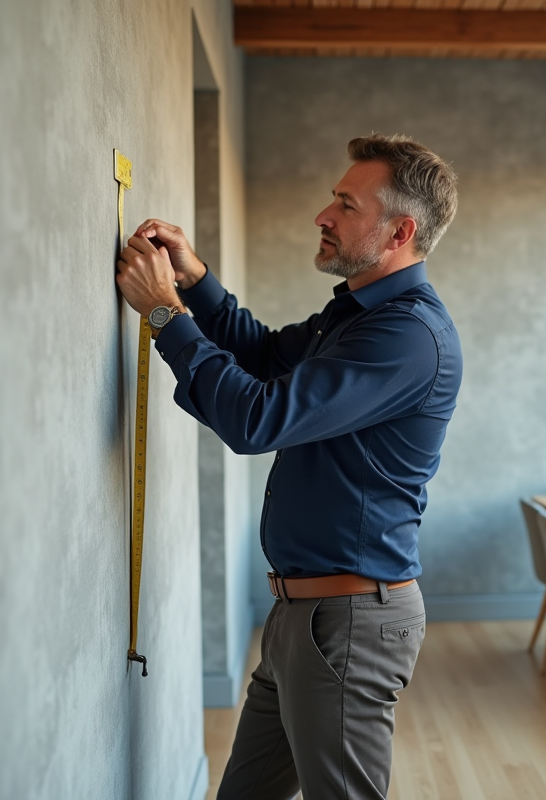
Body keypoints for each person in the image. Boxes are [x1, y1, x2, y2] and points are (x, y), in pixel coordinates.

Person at [114, 134, 462, 800]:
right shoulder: (360, 315)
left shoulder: (406, 336)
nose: (323, 216)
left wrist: (164, 311)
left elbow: (257, 419)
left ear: (400, 231)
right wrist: (196, 284)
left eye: (345, 203)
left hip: (350, 623)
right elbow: (266, 358)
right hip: (302, 616)